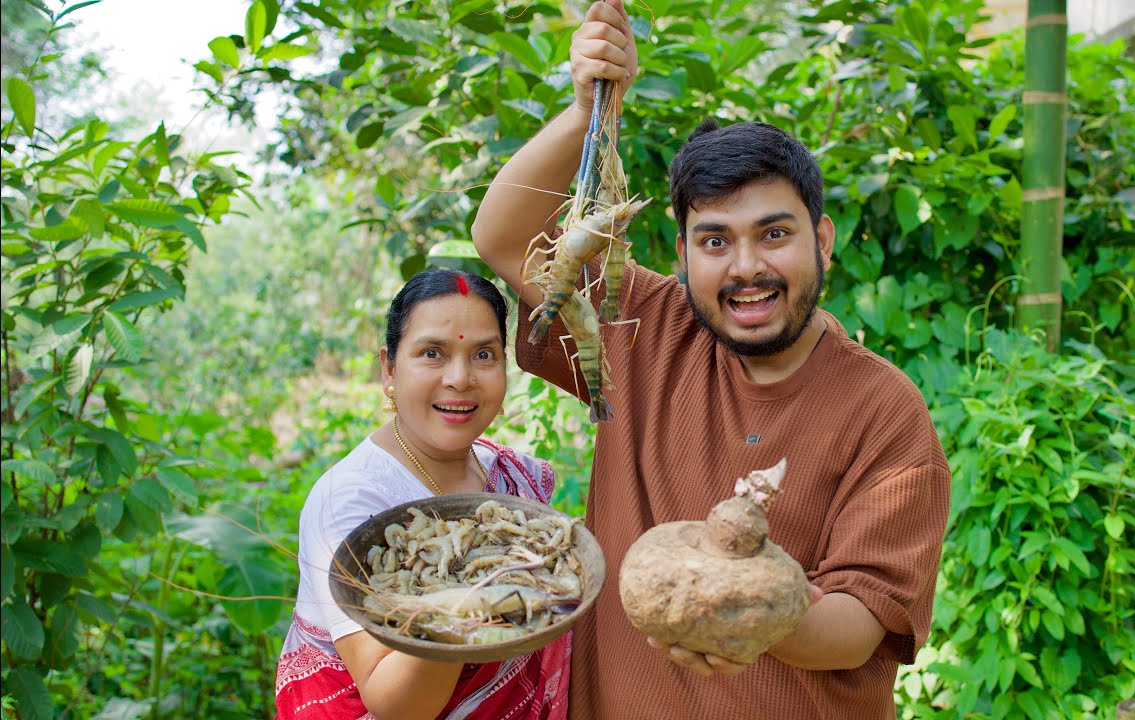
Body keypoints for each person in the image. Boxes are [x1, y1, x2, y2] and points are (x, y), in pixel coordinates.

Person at [469, 1, 951, 719]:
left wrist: (740, 613)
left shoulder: (884, 411)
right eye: (716, 241)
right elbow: (502, 238)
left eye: (774, 234)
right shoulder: (642, 326)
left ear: (822, 241)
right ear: (682, 254)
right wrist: (583, 113)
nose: (746, 267)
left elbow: (859, 625)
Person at [274, 269, 571, 720]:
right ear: (389, 367)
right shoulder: (353, 500)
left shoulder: (506, 479)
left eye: (483, 354)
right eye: (432, 353)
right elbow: (396, 705)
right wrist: (462, 604)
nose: (459, 378)